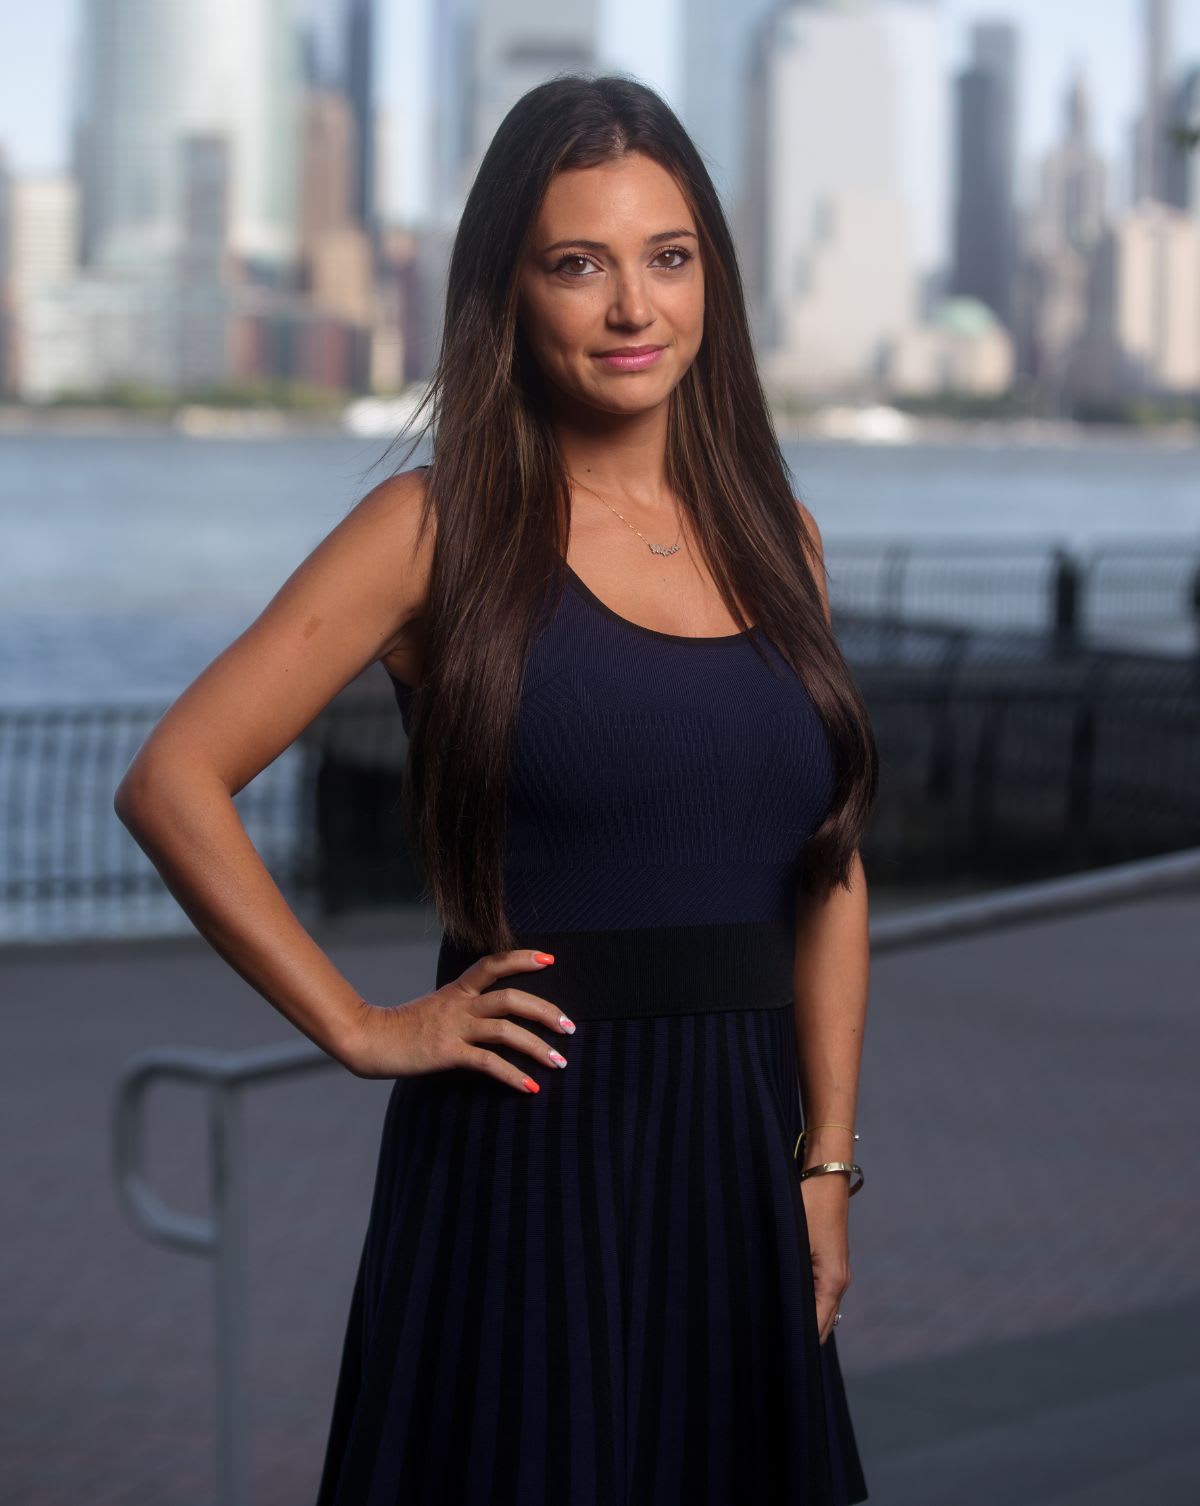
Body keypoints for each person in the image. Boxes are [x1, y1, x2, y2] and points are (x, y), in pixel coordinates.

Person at [114, 72, 878, 1505]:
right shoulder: (432, 528)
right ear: (510, 294)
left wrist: (827, 1164)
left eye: (670, 256)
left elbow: (829, 869)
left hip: (735, 1161)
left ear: (711, 274)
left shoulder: (783, 537)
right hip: (532, 1157)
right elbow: (173, 780)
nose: (633, 306)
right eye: (579, 264)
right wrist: (358, 1025)